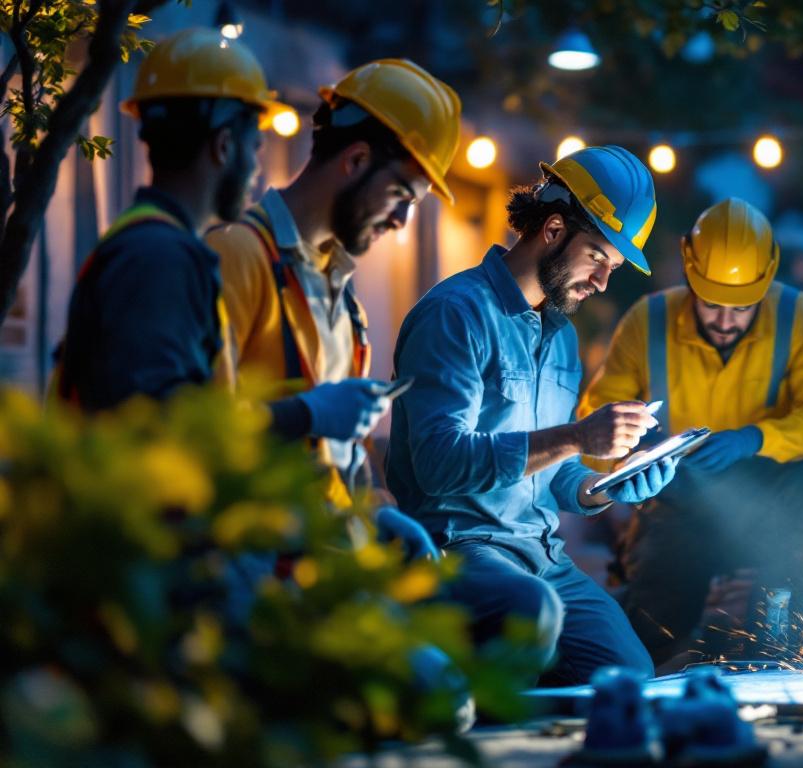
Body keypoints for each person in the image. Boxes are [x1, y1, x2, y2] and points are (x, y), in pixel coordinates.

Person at [54, 29, 425, 557]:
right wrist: (309, 413)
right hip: (135, 558)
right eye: (255, 146)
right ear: (224, 147)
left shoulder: (155, 246)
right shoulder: (162, 259)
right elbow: (179, 427)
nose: (256, 168)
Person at [386, 145, 677, 684]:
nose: (602, 282)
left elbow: (554, 474)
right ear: (552, 230)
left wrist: (608, 487)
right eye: (597, 257)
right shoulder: (456, 315)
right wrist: (577, 434)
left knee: (628, 674)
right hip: (457, 549)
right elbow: (437, 465)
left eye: (612, 267)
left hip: (542, 556)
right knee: (529, 610)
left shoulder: (561, 336)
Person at [205, 59, 462, 555]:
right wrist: (305, 413)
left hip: (326, 556)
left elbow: (347, 458)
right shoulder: (235, 256)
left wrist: (381, 508)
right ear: (357, 160)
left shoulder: (344, 300)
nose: (402, 222)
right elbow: (204, 425)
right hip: (253, 557)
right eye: (399, 196)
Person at [579, 197, 803, 666]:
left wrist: (754, 439)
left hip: (774, 499)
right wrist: (636, 460)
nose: (725, 320)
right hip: (678, 498)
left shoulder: (802, 318)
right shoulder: (648, 321)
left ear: (766, 281)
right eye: (711, 303)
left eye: (742, 307)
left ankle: (778, 640)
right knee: (650, 632)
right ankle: (611, 630)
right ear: (689, 272)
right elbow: (598, 418)